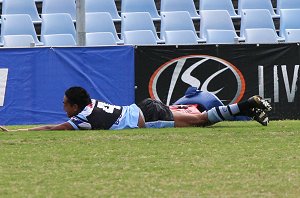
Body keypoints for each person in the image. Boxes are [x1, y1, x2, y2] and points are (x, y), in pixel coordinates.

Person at [0, 86, 271, 132]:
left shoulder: (81, 120)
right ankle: (250, 109)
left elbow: (51, 128)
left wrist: (18, 131)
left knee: (200, 120)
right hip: (144, 106)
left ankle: (248, 104)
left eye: (64, 103)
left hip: (148, 116)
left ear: (74, 105)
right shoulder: (91, 104)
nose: (62, 106)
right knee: (199, 119)